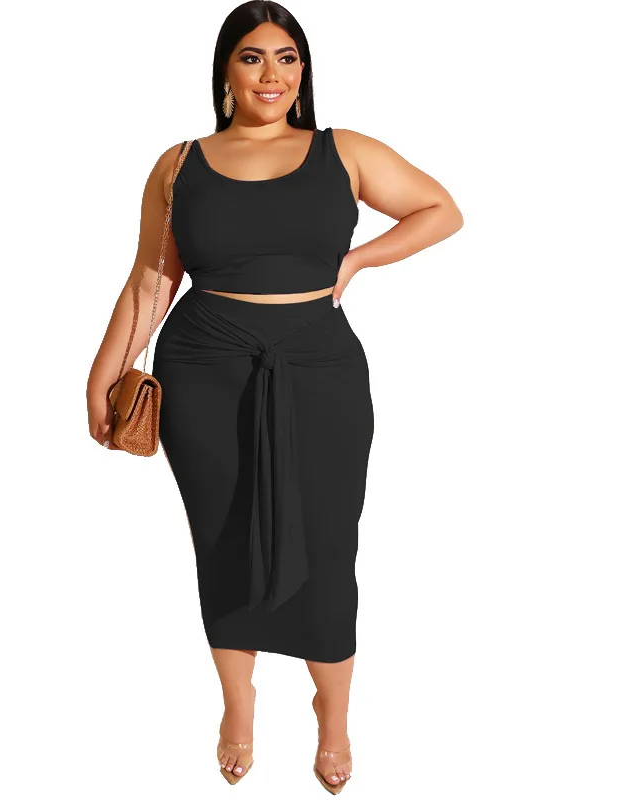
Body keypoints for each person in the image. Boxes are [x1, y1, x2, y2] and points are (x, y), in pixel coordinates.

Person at [86, 1, 462, 792]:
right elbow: (152, 278)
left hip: (321, 369)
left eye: (287, 58)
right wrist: (102, 373)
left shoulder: (344, 151)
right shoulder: (178, 164)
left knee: (328, 545)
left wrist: (355, 262)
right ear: (225, 71)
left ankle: (334, 717)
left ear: (304, 71)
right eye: (253, 57)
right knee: (223, 539)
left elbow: (442, 210)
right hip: (204, 368)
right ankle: (238, 704)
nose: (272, 74)